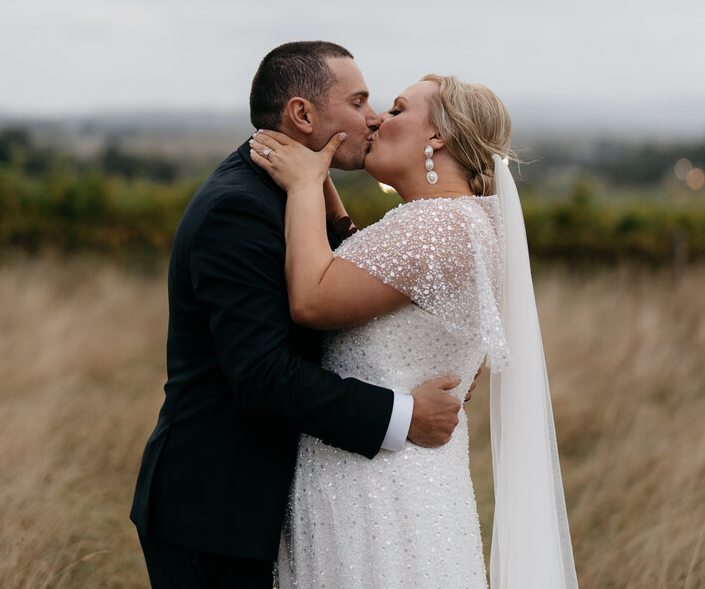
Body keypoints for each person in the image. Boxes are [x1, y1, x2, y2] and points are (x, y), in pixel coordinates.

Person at [129, 42, 466, 589]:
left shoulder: (293, 194)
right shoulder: (238, 209)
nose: (374, 117)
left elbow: (345, 298)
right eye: (358, 102)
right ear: (303, 114)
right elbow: (263, 375)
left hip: (275, 509)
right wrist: (404, 414)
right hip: (215, 514)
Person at [249, 74, 578, 588]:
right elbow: (380, 283)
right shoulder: (460, 220)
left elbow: (313, 299)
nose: (379, 118)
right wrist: (330, 198)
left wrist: (303, 184)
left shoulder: (436, 226)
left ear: (438, 137)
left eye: (399, 110)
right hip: (396, 483)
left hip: (377, 495)